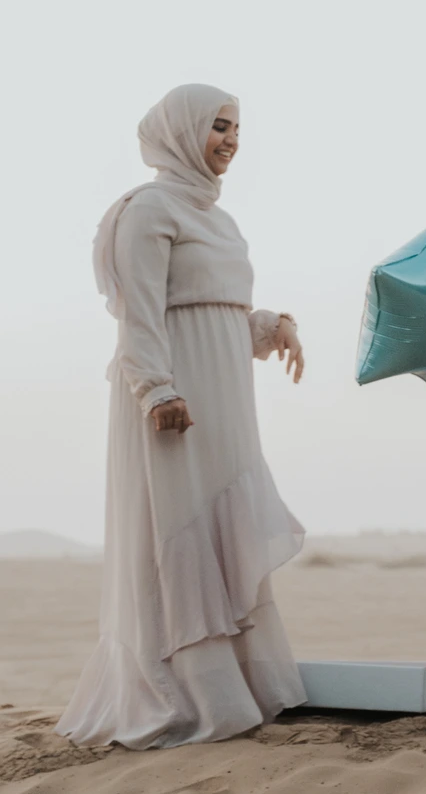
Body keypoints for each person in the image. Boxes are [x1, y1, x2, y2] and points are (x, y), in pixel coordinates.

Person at [58, 84, 308, 749]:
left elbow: (214, 307)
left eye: (236, 129)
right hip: (176, 398)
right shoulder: (146, 210)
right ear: (179, 129)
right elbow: (140, 311)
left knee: (225, 517)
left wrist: (268, 325)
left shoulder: (220, 218)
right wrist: (156, 391)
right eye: (217, 126)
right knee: (176, 525)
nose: (229, 139)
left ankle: (238, 684)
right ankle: (187, 692)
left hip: (226, 397)